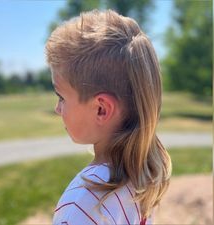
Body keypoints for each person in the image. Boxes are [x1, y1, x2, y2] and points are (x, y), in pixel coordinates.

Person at [46, 9, 172, 225]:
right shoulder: (141, 174)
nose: (57, 108)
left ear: (101, 110)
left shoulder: (83, 204)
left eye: (62, 97)